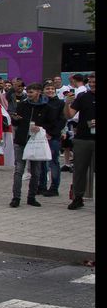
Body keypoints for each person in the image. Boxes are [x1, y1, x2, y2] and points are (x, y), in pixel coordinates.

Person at [8, 82, 52, 208]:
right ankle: (16, 197)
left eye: (32, 92)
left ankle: (31, 197)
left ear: (39, 92)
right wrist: (15, 118)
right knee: (19, 170)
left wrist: (42, 128)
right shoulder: (22, 104)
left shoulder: (45, 106)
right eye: (28, 92)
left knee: (36, 171)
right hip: (21, 140)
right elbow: (15, 122)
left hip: (36, 141)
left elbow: (51, 123)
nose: (29, 94)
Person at [65, 76, 95, 210]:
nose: (93, 84)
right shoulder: (83, 96)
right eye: (92, 82)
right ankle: (78, 198)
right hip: (83, 138)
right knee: (79, 170)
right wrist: (66, 104)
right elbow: (69, 115)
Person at [36, 81, 64, 197]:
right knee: (42, 162)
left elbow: (61, 121)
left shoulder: (60, 103)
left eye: (52, 89)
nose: (50, 91)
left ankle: (54, 187)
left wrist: (51, 133)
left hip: (54, 137)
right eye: (47, 89)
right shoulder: (40, 103)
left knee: (53, 162)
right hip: (42, 136)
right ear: (43, 91)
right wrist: (43, 132)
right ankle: (41, 186)